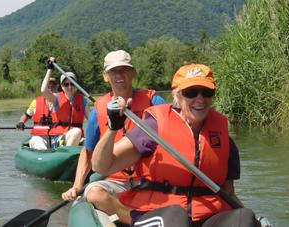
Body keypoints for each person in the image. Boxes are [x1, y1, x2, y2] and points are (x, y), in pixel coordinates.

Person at [92, 64, 260, 226]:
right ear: (176, 96)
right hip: (159, 214)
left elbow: (229, 193)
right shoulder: (153, 128)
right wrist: (113, 128)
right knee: (176, 216)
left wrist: (253, 220)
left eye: (207, 92)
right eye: (191, 92)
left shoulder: (223, 138)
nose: (200, 99)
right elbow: (102, 166)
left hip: (207, 217)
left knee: (243, 217)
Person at [61, 50, 165, 224]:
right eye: (113, 71)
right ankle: (137, 220)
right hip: (118, 180)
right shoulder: (98, 111)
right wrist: (77, 184)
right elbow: (87, 152)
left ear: (133, 73)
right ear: (105, 76)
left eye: (124, 70)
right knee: (94, 193)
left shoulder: (155, 102)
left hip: (150, 178)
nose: (119, 75)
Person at [41, 57, 90, 148]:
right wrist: (49, 69)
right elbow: (43, 91)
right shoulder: (56, 98)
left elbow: (92, 120)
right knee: (77, 131)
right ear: (62, 86)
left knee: (90, 141)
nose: (69, 87)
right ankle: (66, 156)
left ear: (76, 86)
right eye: (66, 84)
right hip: (58, 138)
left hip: (77, 137)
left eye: (72, 84)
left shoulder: (82, 100)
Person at [16, 77, 58, 150]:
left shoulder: (63, 102)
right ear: (44, 88)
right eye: (48, 87)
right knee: (37, 141)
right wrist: (21, 122)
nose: (50, 89)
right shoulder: (36, 102)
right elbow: (26, 116)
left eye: (53, 86)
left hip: (57, 136)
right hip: (40, 137)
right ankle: (44, 155)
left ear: (57, 87)